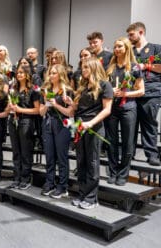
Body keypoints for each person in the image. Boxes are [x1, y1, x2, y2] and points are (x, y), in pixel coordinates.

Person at [65, 58, 113, 209]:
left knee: (92, 162)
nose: (83, 70)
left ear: (93, 67)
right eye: (82, 67)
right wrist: (71, 104)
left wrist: (91, 123)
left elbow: (107, 110)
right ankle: (82, 194)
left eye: (86, 67)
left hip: (94, 127)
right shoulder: (82, 87)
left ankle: (92, 198)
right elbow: (78, 109)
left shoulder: (105, 85)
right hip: (80, 126)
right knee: (81, 162)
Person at [105, 37, 145, 185]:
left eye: (120, 47)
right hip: (112, 108)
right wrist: (111, 90)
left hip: (128, 108)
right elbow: (104, 87)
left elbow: (141, 91)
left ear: (127, 48)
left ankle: (123, 173)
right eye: (115, 47)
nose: (116, 49)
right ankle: (113, 172)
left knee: (128, 142)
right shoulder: (110, 67)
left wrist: (125, 94)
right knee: (111, 142)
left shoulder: (134, 67)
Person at [127, 22, 161, 166]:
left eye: (131, 34)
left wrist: (145, 65)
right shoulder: (129, 51)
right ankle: (129, 154)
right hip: (132, 93)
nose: (129, 37)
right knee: (130, 126)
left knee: (149, 124)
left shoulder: (157, 49)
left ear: (141, 32)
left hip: (151, 92)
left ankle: (152, 155)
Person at [39, 64, 74, 198]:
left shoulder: (68, 90)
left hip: (62, 125)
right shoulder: (46, 90)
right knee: (49, 156)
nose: (51, 75)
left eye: (54, 73)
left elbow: (70, 113)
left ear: (60, 75)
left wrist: (56, 104)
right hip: (48, 123)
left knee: (61, 157)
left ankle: (63, 186)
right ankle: (50, 182)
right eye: (50, 73)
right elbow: (41, 113)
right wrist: (47, 104)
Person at [8, 62, 41, 189]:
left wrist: (20, 110)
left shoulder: (33, 89)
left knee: (25, 152)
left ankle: (26, 179)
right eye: (17, 73)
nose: (19, 75)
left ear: (27, 74)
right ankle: (16, 177)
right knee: (16, 152)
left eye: (21, 72)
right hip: (13, 121)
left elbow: (37, 110)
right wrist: (12, 108)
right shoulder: (14, 89)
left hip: (26, 122)